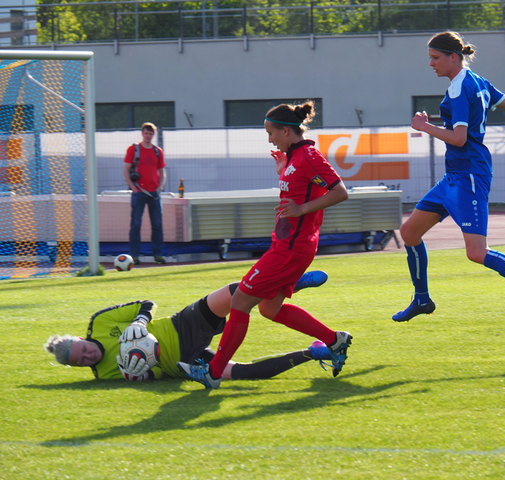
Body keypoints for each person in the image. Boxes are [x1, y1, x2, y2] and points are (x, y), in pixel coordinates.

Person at [393, 31, 505, 327]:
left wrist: (423, 127)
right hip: (455, 176)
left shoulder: (460, 87)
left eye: (435, 58)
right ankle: (422, 298)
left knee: (476, 252)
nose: (431, 64)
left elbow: (459, 138)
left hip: (469, 175)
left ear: (453, 57)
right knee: (409, 233)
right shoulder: (477, 82)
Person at [177, 101, 352, 389]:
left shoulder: (308, 155)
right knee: (269, 310)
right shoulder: (294, 158)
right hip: (287, 246)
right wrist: (283, 170)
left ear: (286, 130)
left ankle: (213, 372)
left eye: (271, 132)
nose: (269, 139)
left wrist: (301, 209)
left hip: (291, 249)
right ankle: (335, 340)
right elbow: (297, 189)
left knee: (240, 302)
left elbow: (340, 192)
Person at [43, 271, 332, 382]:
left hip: (181, 326)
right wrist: (145, 373)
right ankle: (314, 353)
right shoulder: (103, 376)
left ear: (81, 338)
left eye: (82, 350)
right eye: (81, 362)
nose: (87, 357)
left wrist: (140, 321)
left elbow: (146, 303)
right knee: (244, 373)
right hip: (183, 363)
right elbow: (151, 375)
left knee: (234, 293)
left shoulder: (101, 322)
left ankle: (286, 283)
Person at [124, 122, 167, 265]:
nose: (148, 136)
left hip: (154, 193)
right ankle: (134, 255)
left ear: (153, 135)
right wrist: (133, 187)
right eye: (146, 133)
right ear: (142, 134)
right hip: (139, 192)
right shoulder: (133, 149)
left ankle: (158, 255)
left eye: (150, 133)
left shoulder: (157, 151)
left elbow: (162, 172)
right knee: (136, 223)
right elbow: (126, 170)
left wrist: (160, 187)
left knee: (157, 224)